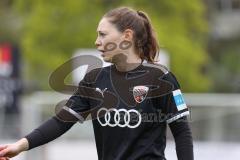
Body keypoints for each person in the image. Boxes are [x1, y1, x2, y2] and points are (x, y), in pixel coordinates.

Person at [0, 7, 193, 160]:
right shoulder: (94, 79)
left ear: (126, 36)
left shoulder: (160, 77)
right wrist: (20, 145)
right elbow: (61, 121)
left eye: (103, 34)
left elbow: (181, 131)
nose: (97, 42)